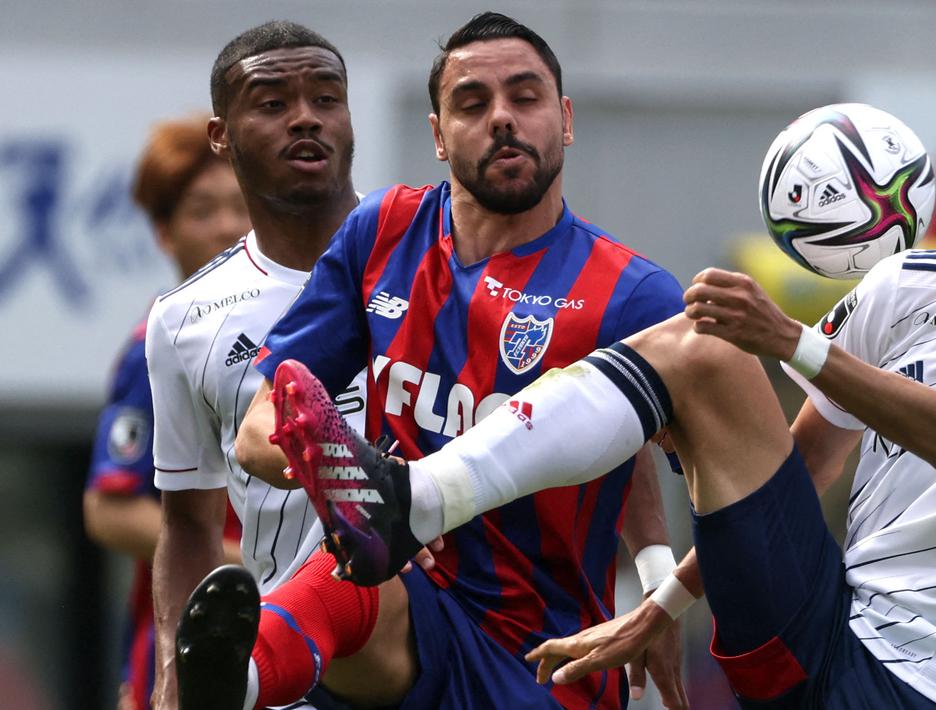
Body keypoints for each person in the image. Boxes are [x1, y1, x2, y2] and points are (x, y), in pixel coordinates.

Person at [270, 91, 936, 708]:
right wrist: (662, 603)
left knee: (733, 350)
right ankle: (413, 503)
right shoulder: (916, 286)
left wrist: (793, 341)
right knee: (707, 351)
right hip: (817, 624)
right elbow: (805, 461)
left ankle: (413, 502)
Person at [183, 12, 686, 710]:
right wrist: (353, 483)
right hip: (411, 601)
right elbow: (257, 428)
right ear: (438, 136)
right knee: (354, 576)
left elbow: (670, 462)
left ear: (565, 119)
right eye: (472, 104)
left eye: (526, 97)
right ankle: (237, 679)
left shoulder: (634, 294)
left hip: (547, 650)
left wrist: (662, 588)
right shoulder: (384, 230)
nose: (502, 119)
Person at [145, 21, 373, 710]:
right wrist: (172, 670)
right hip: (288, 675)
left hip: (449, 648)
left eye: (326, 98)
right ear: (222, 136)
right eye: (272, 103)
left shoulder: (431, 256)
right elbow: (187, 524)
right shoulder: (184, 319)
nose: (306, 117)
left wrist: (649, 567)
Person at [83, 115, 249, 710]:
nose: (227, 226)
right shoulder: (154, 349)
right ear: (163, 233)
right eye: (202, 211)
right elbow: (108, 508)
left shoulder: (306, 326)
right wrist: (238, 565)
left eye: (239, 205)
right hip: (179, 651)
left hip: (286, 639)